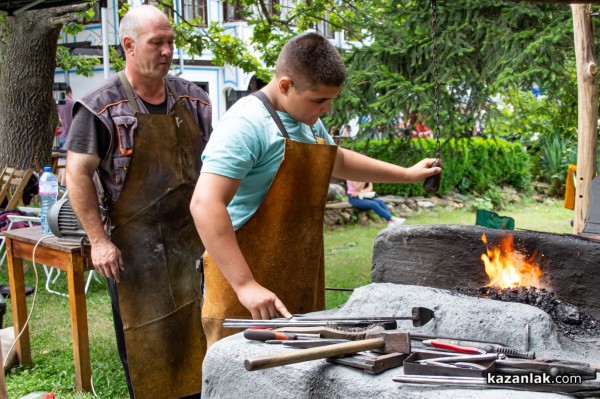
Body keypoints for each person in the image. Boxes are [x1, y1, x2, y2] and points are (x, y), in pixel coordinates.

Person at [190, 31, 441, 346]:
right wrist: (245, 284)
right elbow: (205, 203)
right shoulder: (245, 125)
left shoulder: (307, 120)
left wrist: (407, 174)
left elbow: (338, 160)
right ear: (285, 85)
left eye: (330, 100)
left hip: (299, 280)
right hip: (242, 293)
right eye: (319, 100)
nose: (326, 110)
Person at [65, 5, 211, 399]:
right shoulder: (101, 107)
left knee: (200, 339)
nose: (166, 51)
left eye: (170, 42)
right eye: (156, 42)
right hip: (134, 251)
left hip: (192, 244)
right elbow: (76, 173)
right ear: (129, 45)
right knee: (146, 345)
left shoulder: (194, 100)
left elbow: (215, 167)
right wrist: (98, 241)